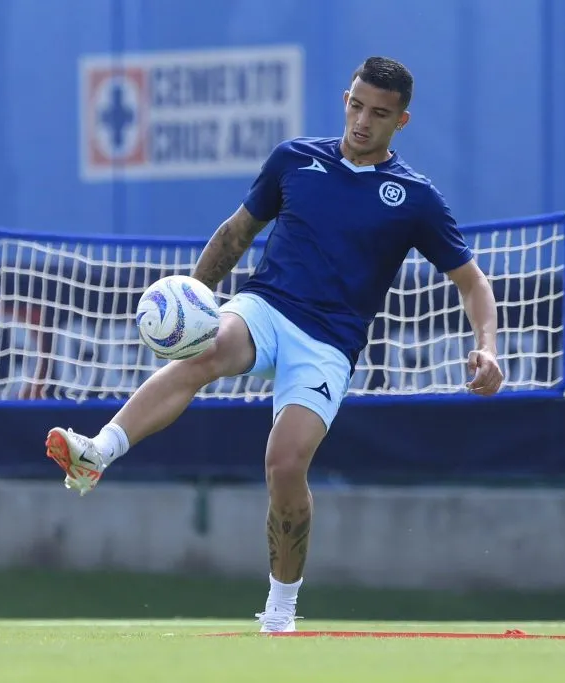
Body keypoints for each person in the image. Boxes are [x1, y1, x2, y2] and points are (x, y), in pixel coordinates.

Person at [44, 57, 504, 632]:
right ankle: (98, 452)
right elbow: (235, 233)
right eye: (357, 105)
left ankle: (281, 610)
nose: (363, 121)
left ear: (401, 121)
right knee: (206, 351)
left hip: (328, 344)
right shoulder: (294, 159)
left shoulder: (415, 198)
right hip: (265, 308)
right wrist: (194, 305)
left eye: (380, 114)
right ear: (345, 99)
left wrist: (488, 347)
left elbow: (472, 282)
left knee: (284, 465)